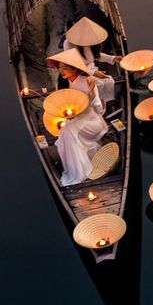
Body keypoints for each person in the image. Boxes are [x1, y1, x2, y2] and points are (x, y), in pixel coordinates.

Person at [46, 48, 110, 186]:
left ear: (75, 69)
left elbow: (98, 108)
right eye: (60, 68)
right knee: (64, 132)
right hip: (76, 119)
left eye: (65, 68)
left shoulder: (87, 81)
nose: (61, 71)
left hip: (92, 120)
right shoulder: (63, 82)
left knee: (69, 132)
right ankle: (75, 168)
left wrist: (92, 90)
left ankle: (82, 172)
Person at [63, 17, 119, 105]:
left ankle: (106, 101)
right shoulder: (68, 43)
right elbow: (72, 64)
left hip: (90, 68)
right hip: (76, 72)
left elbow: (96, 55)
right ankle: (95, 104)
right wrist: (93, 73)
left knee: (108, 81)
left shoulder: (91, 41)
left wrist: (113, 58)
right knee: (95, 86)